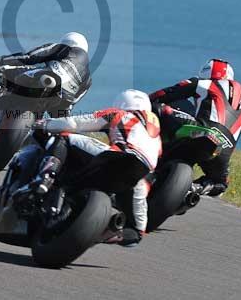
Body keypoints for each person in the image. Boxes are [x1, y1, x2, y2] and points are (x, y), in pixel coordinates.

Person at [24, 89, 161, 247]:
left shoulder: (119, 113)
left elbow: (75, 124)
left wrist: (46, 124)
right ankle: (107, 230)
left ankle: (46, 178)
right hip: (138, 176)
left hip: (117, 157)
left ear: (122, 103)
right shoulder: (156, 133)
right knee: (137, 232)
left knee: (63, 138)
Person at [0, 31, 93, 164]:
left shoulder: (63, 48)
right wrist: (60, 119)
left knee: (2, 70)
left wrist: (2, 60)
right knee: (55, 128)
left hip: (45, 78)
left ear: (66, 42)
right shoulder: (88, 79)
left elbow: (31, 56)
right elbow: (72, 102)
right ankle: (40, 147)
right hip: (61, 100)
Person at [149, 59, 241, 197]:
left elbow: (167, 93)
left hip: (203, 131)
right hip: (223, 150)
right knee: (221, 184)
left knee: (159, 108)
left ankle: (150, 153)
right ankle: (195, 189)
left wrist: (145, 101)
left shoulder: (203, 83)